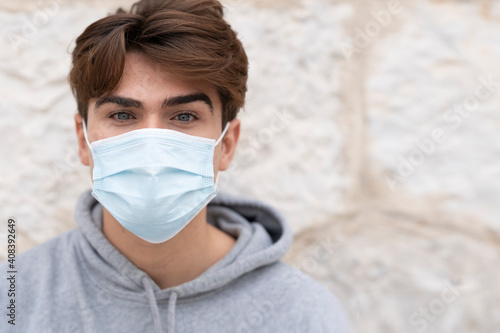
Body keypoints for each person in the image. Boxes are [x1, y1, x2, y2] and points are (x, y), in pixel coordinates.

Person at [1, 0, 350, 332]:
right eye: (123, 115)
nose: (152, 144)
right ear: (83, 140)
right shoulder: (14, 300)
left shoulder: (303, 314)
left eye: (184, 116)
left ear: (226, 145)